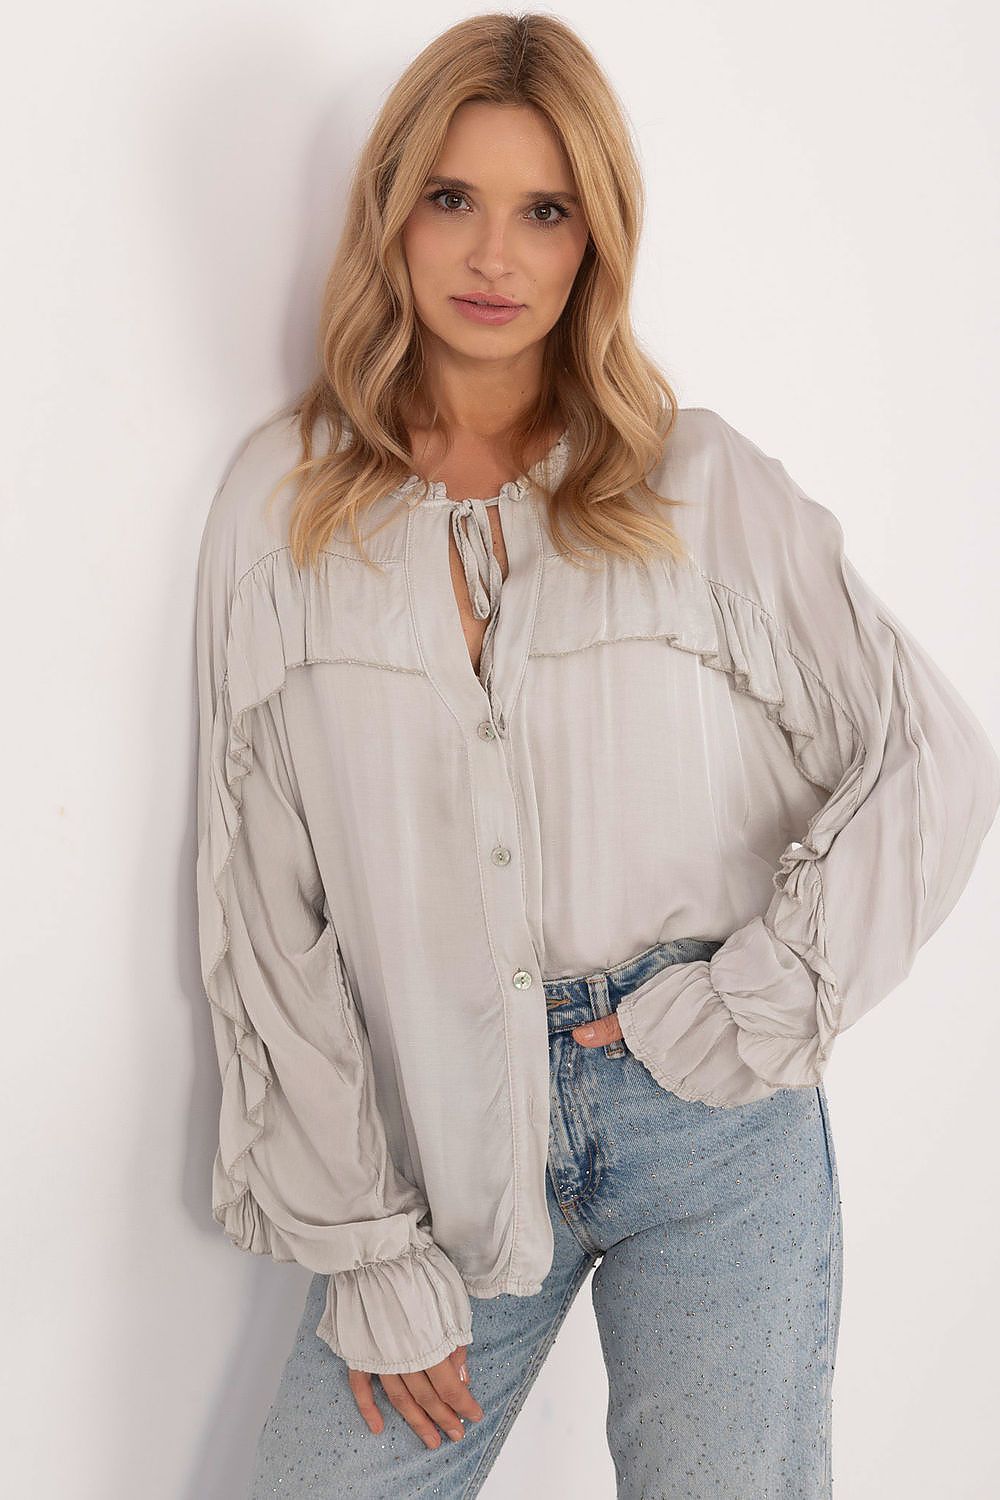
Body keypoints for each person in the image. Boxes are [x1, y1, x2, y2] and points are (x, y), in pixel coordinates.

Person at [193, 14, 1000, 1499]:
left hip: (714, 1132)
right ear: (394, 213)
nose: (493, 254)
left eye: (544, 210)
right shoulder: (285, 508)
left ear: (593, 242)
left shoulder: (696, 482)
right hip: (446, 1153)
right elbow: (266, 909)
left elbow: (934, 761)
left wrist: (738, 1003)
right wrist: (369, 1253)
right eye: (454, 198)